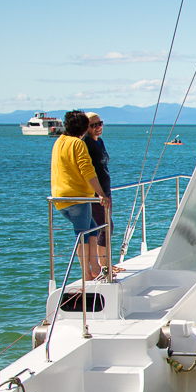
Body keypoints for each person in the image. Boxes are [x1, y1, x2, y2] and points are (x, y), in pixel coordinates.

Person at [50, 110, 109, 279]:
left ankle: (96, 268)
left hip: (59, 198)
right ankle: (86, 274)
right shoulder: (77, 144)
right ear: (83, 128)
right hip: (77, 197)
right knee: (81, 235)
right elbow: (88, 171)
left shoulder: (59, 142)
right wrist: (101, 194)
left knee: (92, 229)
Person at [83, 113, 113, 279]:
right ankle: (103, 266)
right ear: (86, 127)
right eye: (93, 125)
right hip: (97, 194)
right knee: (103, 226)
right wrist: (99, 193)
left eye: (99, 123)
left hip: (105, 190)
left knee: (107, 226)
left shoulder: (99, 141)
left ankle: (106, 263)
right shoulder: (85, 143)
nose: (98, 127)